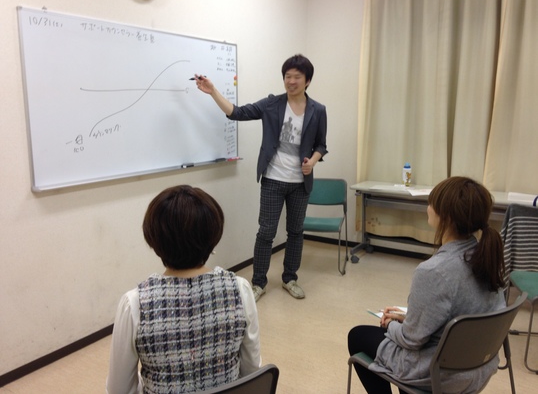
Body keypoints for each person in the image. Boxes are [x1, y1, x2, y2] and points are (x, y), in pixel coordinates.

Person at [347, 176, 506, 393]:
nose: (428, 208)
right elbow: (458, 312)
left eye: (431, 203)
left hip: (439, 373)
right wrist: (408, 318)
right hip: (478, 367)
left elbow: (410, 340)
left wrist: (390, 324)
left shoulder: (434, 271)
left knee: (357, 336)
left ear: (446, 217)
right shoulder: (486, 256)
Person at [194, 54, 328, 302]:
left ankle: (290, 278)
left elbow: (321, 144)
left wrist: (313, 161)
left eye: (297, 77)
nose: (291, 81)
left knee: (295, 232)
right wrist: (213, 92)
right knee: (266, 233)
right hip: (273, 179)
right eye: (287, 76)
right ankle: (258, 283)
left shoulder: (318, 110)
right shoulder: (272, 104)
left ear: (308, 80)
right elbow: (237, 112)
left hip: (301, 183)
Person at [106, 185, 261, 394]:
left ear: (154, 240)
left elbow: (119, 389)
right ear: (213, 236)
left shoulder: (135, 304)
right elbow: (252, 372)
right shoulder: (239, 289)